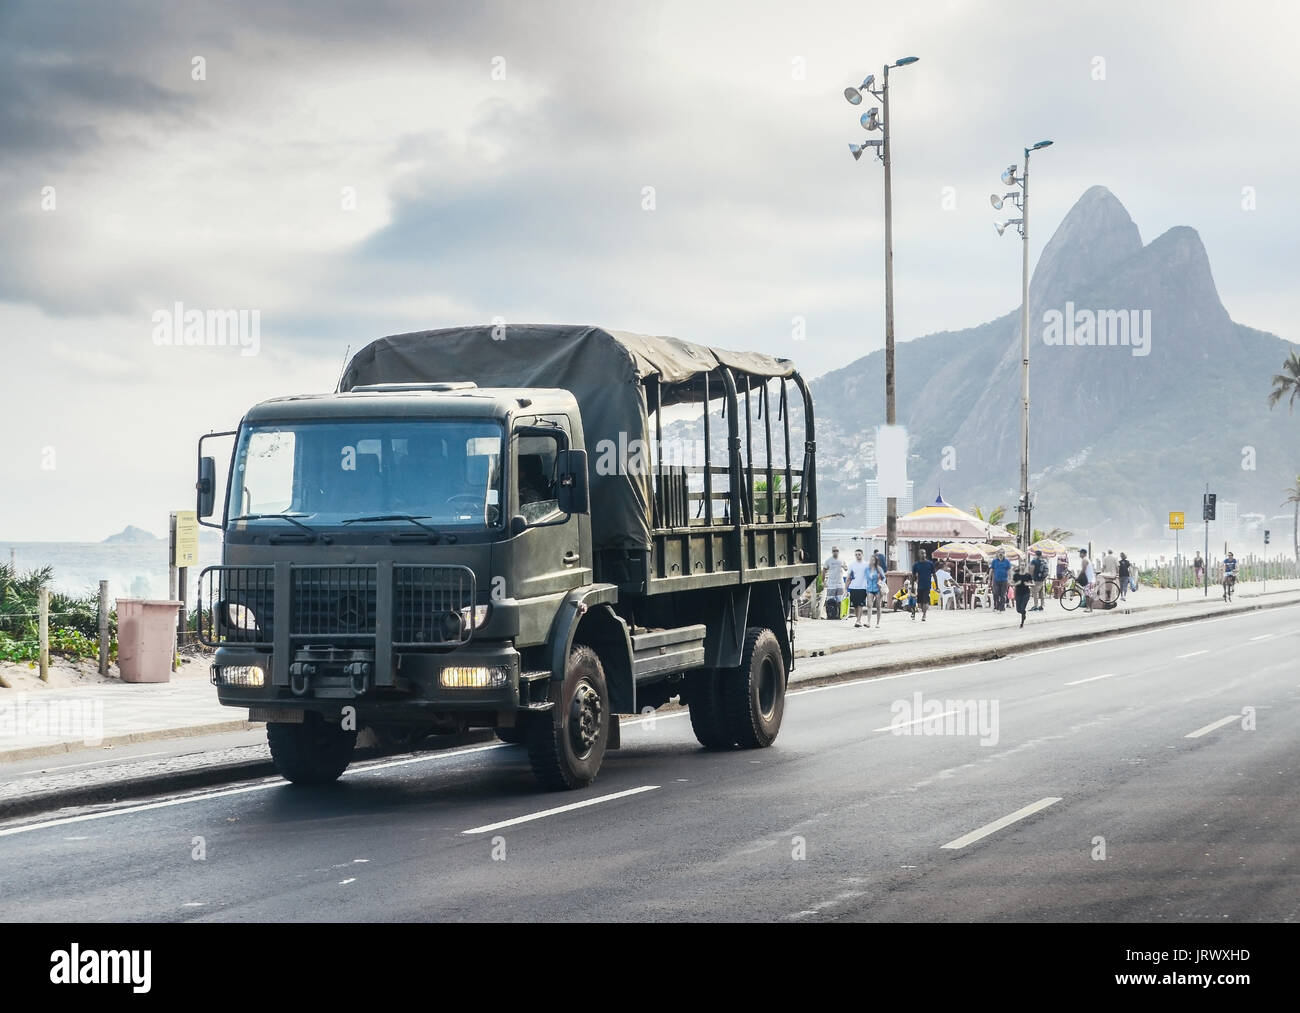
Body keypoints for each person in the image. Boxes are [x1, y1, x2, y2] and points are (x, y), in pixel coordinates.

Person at [846, 548, 873, 628]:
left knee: (860, 605)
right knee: (855, 605)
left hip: (863, 587)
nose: (857, 556)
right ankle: (858, 620)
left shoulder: (866, 564)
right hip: (853, 587)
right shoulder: (851, 564)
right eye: (856, 555)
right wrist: (845, 588)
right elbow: (848, 577)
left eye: (859, 554)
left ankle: (858, 620)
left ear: (862, 555)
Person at [822, 546, 847, 620]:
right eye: (834, 551)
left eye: (837, 550)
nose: (835, 552)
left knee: (840, 600)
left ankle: (839, 615)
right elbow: (824, 570)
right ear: (832, 552)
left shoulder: (842, 560)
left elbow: (846, 568)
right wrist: (823, 582)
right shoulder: (828, 560)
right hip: (831, 583)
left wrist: (845, 567)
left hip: (840, 583)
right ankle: (830, 615)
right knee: (830, 600)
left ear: (838, 551)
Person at [911, 549, 936, 622]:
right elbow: (913, 576)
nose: (923, 555)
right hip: (919, 585)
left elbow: (934, 575)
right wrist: (912, 586)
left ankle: (924, 614)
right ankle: (923, 611)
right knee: (919, 603)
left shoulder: (930, 564)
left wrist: (936, 586)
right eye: (922, 553)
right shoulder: (916, 565)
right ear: (919, 554)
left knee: (925, 601)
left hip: (927, 585)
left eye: (924, 553)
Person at [865, 551, 886, 627]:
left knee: (878, 606)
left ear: (876, 561)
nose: (871, 561)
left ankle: (878, 623)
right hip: (870, 589)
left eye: (873, 560)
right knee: (869, 605)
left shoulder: (879, 569)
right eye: (870, 560)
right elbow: (864, 578)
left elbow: (884, 578)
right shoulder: (867, 569)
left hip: (878, 589)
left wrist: (881, 583)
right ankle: (868, 622)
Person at [1013, 562, 1033, 628]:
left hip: (1026, 594)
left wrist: (1028, 584)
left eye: (1024, 565)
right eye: (1021, 565)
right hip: (1018, 593)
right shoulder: (1016, 575)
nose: (1022, 566)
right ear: (1019, 566)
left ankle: (1022, 623)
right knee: (1018, 610)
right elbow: (1011, 583)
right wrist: (1017, 583)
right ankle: (1024, 614)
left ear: (1025, 567)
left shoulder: (1028, 575)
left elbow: (1033, 584)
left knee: (1022, 608)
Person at [1078, 549, 1097, 613]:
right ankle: (1090, 608)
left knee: (1088, 595)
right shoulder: (1087, 559)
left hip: (1089, 580)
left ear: (1084, 554)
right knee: (1088, 594)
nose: (1080, 554)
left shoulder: (1085, 560)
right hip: (1091, 579)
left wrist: (1078, 577)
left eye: (1081, 553)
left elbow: (1083, 570)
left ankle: (1089, 608)